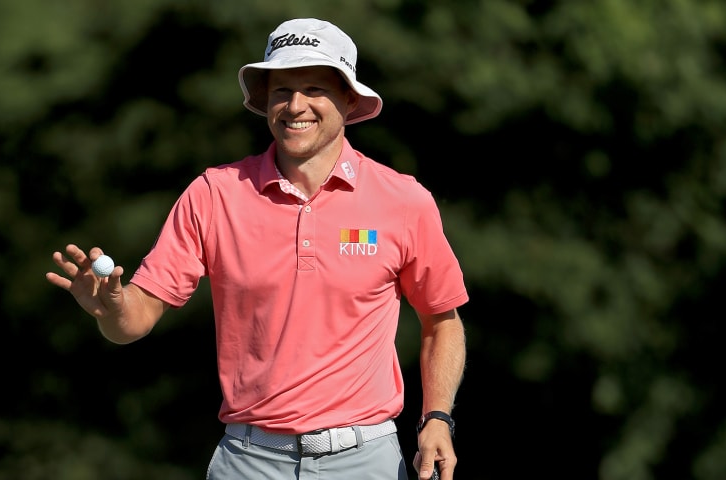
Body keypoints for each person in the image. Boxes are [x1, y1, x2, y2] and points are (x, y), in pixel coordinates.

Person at [46, 17, 469, 480]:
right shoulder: (214, 193)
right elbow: (136, 320)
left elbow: (441, 322)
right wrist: (112, 309)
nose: (295, 105)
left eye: (313, 87)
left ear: (349, 100)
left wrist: (437, 418)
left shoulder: (403, 200)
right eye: (281, 90)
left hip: (365, 457)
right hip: (248, 461)